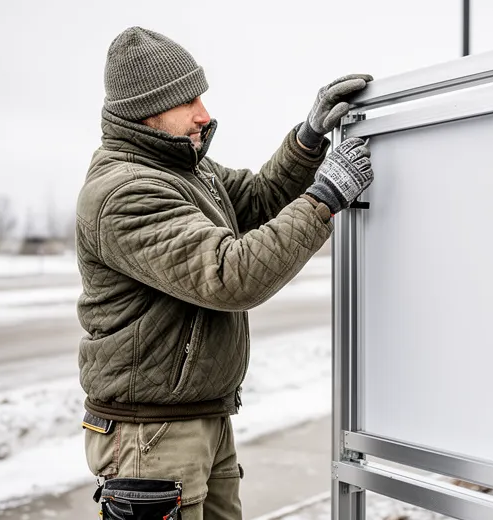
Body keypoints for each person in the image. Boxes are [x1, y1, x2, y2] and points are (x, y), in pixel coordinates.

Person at [74, 26, 375, 520]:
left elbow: (257, 200)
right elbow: (230, 274)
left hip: (200, 419)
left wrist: (308, 140)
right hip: (149, 439)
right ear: (147, 112)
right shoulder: (122, 193)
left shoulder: (189, 170)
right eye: (188, 100)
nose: (204, 115)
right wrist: (325, 199)